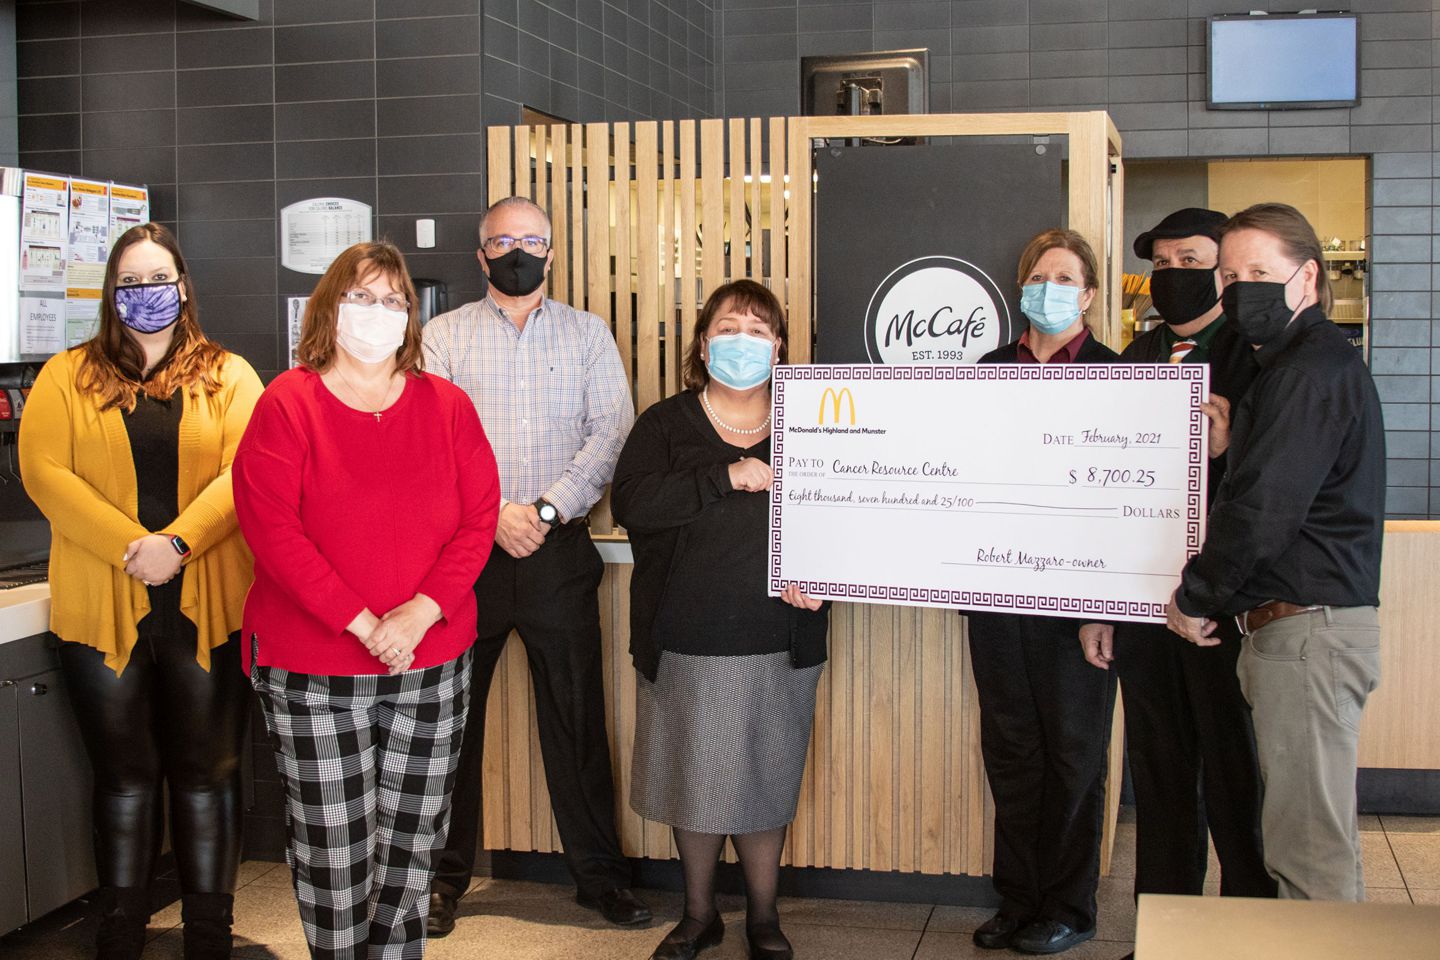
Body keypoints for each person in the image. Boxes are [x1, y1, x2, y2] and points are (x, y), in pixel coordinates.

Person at [232, 240, 500, 958]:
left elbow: (480, 521)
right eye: (360, 297)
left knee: (411, 849)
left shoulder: (447, 407)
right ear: (327, 308)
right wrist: (363, 622)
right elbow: (273, 532)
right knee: (334, 851)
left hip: (430, 662)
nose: (376, 314)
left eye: (392, 301)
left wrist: (419, 611)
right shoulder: (288, 404)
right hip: (312, 668)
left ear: (410, 318)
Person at [19, 223, 262, 960]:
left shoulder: (230, 375)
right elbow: (44, 473)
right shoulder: (67, 375)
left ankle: (208, 937)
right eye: (130, 282)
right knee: (123, 778)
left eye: (158, 279)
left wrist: (178, 544)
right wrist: (132, 547)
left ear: (183, 286)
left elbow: (246, 473)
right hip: (102, 605)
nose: (145, 294)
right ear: (111, 293)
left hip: (206, 608)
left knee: (207, 776)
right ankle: (121, 931)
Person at [422, 196, 648, 934]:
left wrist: (545, 511)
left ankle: (599, 877)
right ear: (480, 253)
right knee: (450, 725)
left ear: (551, 252)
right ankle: (442, 881)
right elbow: (429, 444)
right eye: (501, 240)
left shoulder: (587, 335)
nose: (516, 250)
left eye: (531, 239)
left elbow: (610, 433)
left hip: (560, 553)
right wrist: (492, 518)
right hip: (463, 559)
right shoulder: (442, 337)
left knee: (578, 719)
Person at [1165, 203, 1385, 901]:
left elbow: (1264, 513)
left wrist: (1195, 595)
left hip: (1307, 632)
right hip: (1297, 630)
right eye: (1231, 275)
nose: (1240, 289)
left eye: (1260, 272)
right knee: (1308, 842)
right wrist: (1234, 448)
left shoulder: (1306, 372)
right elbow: (1278, 485)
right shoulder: (1293, 366)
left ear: (1308, 277)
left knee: (1307, 855)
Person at [612, 279, 828, 960]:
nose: (744, 341)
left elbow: (849, 515)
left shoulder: (813, 421)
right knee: (695, 778)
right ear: (703, 344)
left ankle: (765, 917)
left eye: (759, 330)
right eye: (729, 328)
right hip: (687, 636)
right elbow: (633, 503)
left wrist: (825, 580)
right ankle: (699, 913)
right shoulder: (666, 424)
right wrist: (722, 477)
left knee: (766, 778)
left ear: (781, 346)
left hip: (779, 635)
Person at [1077, 209, 1275, 906]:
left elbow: (1273, 492)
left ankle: (1249, 928)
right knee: (1159, 774)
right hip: (1142, 607)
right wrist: (1098, 606)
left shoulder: (1257, 359)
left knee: (1233, 773)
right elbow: (1100, 486)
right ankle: (1166, 931)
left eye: (1189, 261)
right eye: (1161, 263)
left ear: (1224, 272)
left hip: (1222, 611)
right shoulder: (1136, 360)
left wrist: (1228, 450)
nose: (1172, 276)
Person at [968, 229, 1119, 956]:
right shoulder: (989, 370)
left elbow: (1129, 510)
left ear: (1088, 295)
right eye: (1039, 276)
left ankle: (1068, 905)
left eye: (1065, 278)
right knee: (1011, 751)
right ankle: (1017, 899)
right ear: (1021, 288)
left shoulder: (1122, 377)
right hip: (997, 599)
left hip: (1078, 615)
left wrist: (1106, 608)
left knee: (1074, 756)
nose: (1050, 289)